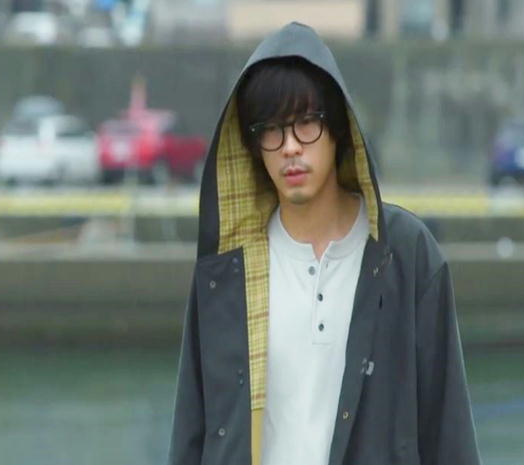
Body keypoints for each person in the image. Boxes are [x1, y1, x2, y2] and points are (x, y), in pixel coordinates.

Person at [167, 22, 481, 465]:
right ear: (254, 145)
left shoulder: (406, 253)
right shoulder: (231, 267)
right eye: (271, 129)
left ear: (337, 129)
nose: (291, 147)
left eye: (305, 123)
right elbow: (191, 430)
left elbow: (448, 429)